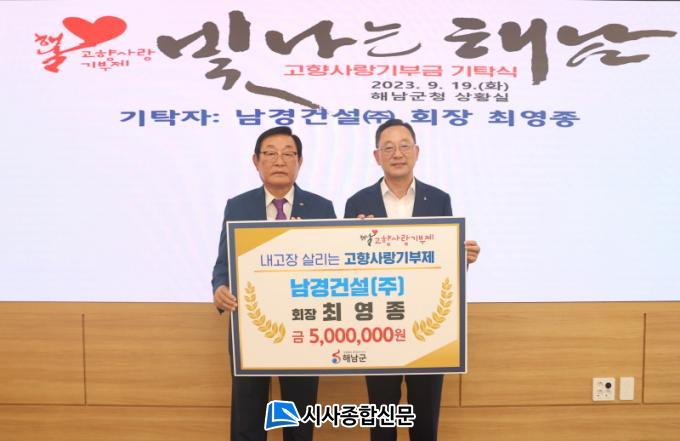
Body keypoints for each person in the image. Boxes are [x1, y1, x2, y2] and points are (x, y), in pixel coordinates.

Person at [344, 119, 480, 441]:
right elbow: (346, 269)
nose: (397, 154)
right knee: (382, 422)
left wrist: (462, 258)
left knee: (425, 423)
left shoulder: (439, 199)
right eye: (388, 147)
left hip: (428, 328)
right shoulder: (357, 203)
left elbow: (445, 266)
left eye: (404, 146)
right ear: (376, 156)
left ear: (417, 152)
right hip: (378, 327)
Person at [212, 126, 336, 441]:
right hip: (250, 326)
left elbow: (335, 266)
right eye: (270, 153)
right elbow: (224, 263)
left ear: (300, 161)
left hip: (304, 327)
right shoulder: (238, 206)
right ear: (256, 161)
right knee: (248, 417)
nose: (279, 160)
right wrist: (220, 288)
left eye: (288, 154)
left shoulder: (321, 208)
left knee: (298, 418)